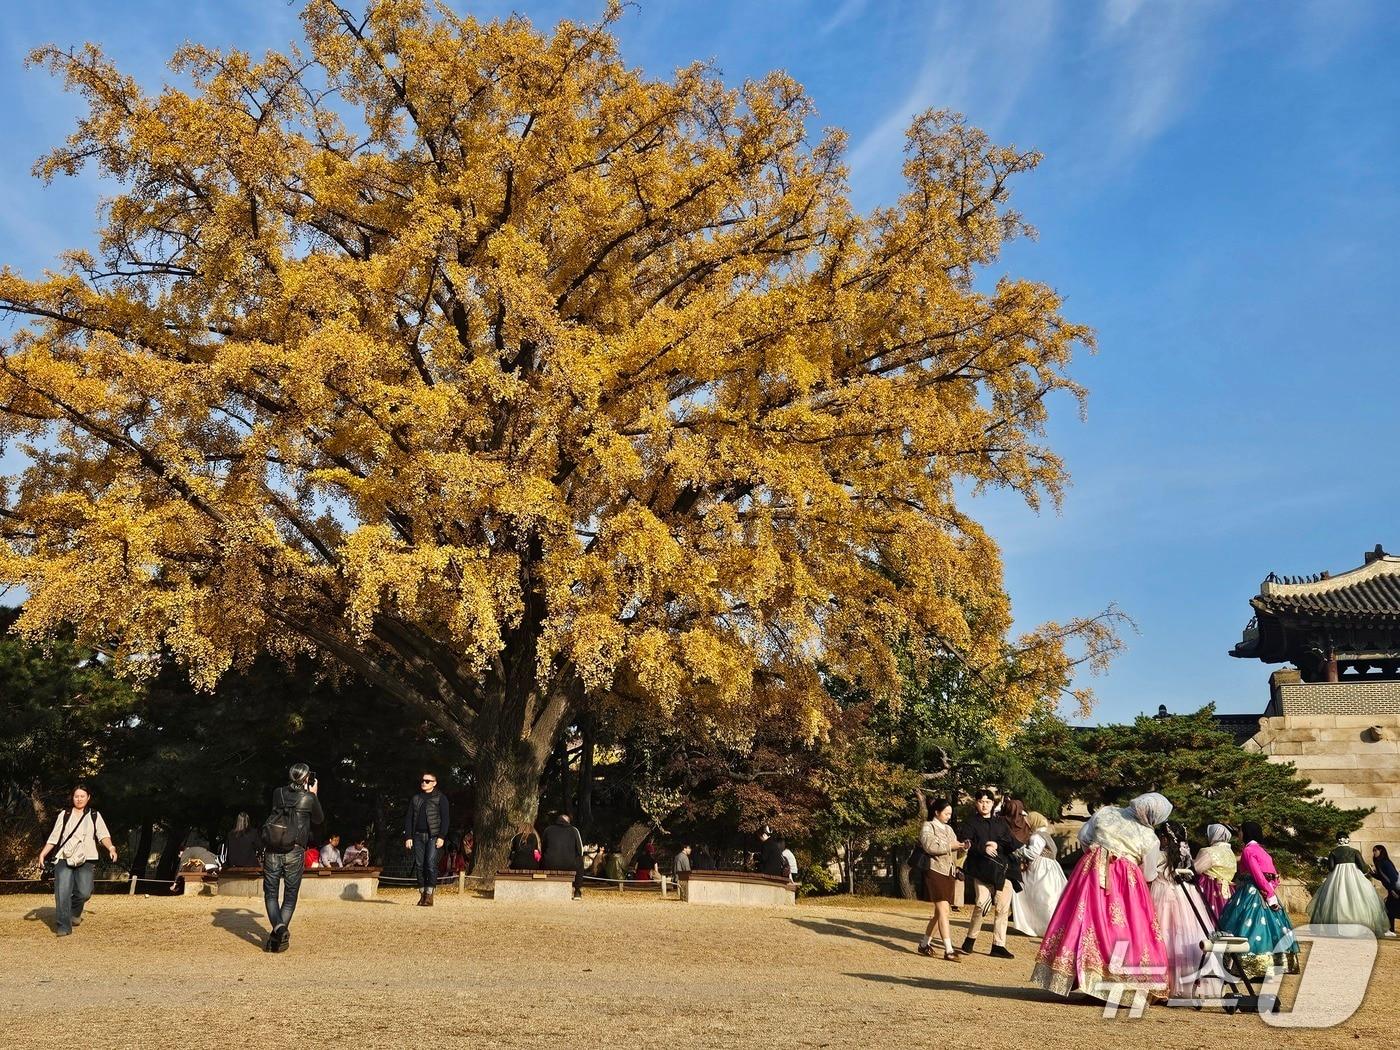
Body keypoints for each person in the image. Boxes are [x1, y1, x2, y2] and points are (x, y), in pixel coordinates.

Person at [1030, 793, 1171, 1001]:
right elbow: (1149, 873)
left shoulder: (1106, 812)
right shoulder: (1149, 837)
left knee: (1085, 922)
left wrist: (1096, 853)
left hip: (1091, 871)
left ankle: (1089, 976)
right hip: (1125, 883)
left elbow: (1083, 837)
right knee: (1122, 928)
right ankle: (1115, 982)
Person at [1214, 821, 1298, 979]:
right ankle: (1272, 965)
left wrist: (1267, 892)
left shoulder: (1248, 850)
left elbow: (1256, 873)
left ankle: (1245, 965)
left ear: (1246, 833)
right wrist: (1271, 890)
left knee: (1245, 924)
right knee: (1269, 927)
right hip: (1266, 891)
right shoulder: (1262, 850)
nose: (1238, 834)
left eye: (1240, 831)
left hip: (1252, 891)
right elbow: (1273, 874)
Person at [37, 785, 118, 937]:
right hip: (64, 856)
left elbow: (103, 835)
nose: (79, 799)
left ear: (88, 798)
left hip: (87, 857)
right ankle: (63, 926)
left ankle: (75, 912)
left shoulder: (94, 815)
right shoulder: (64, 814)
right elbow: (54, 837)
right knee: (62, 891)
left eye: (82, 796)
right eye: (76, 796)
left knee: (84, 892)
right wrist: (43, 854)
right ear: (72, 798)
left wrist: (111, 848)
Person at [1151, 820, 1216, 1003]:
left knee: (1165, 937)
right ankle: (1189, 982)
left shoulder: (1159, 856)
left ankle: (1164, 983)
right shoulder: (1185, 854)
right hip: (1186, 895)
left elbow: (1149, 873)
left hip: (1162, 895)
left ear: (1164, 838)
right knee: (1185, 935)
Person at [261, 763, 323, 953]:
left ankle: (277, 933)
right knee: (290, 895)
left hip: (273, 847)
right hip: (295, 850)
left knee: (270, 893)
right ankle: (280, 930)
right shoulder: (309, 797)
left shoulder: (277, 793)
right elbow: (319, 819)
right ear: (306, 778)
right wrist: (314, 793)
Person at [957, 790, 1017, 958]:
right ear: (976, 803)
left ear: (992, 804)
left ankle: (998, 945)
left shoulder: (1001, 823)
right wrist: (983, 847)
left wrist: (997, 845)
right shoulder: (971, 823)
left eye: (987, 801)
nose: (984, 804)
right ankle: (970, 939)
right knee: (981, 904)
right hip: (981, 870)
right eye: (981, 801)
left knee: (1003, 908)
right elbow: (965, 842)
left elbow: (1011, 844)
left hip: (1002, 871)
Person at [916, 798, 967, 961]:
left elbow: (955, 852)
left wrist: (963, 849)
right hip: (934, 871)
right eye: (946, 813)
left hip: (949, 872)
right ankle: (949, 949)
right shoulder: (927, 827)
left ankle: (924, 944)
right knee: (944, 910)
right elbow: (929, 846)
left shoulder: (949, 829)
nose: (948, 816)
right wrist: (950, 846)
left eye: (950, 814)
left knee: (939, 913)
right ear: (937, 812)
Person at [1308, 834, 1389, 935]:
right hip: (1354, 877)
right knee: (1359, 899)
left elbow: (1331, 868)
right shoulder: (1355, 851)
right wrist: (1368, 867)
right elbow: (1362, 867)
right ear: (1348, 840)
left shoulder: (1333, 852)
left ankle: (1337, 928)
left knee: (1336, 900)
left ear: (1337, 841)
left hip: (1336, 878)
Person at [1011, 811, 1066, 938]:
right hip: (1051, 867)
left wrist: (1018, 850)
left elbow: (1032, 853)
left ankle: (1038, 925)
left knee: (1038, 896)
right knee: (1049, 895)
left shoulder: (1036, 836)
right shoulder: (1046, 834)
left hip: (1040, 868)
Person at [403, 771, 449, 907]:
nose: (424, 782)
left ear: (434, 783)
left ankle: (429, 895)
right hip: (417, 836)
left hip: (433, 836)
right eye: (423, 780)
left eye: (428, 781)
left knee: (430, 864)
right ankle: (422, 894)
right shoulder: (416, 798)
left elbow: (445, 819)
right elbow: (409, 818)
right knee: (419, 865)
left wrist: (441, 836)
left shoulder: (441, 798)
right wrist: (408, 837)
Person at [1192, 823, 1236, 922]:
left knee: (1207, 918)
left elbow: (1196, 868)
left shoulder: (1208, 851)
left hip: (1210, 889)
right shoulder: (1231, 854)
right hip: (1229, 892)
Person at [541, 812, 585, 899]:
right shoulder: (574, 830)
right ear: (568, 822)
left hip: (549, 864)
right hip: (569, 865)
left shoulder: (548, 830)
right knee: (580, 861)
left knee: (544, 859)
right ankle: (577, 891)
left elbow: (543, 848)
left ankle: (542, 888)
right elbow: (581, 851)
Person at [1371, 845, 1400, 937]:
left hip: (1395, 888)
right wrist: (1372, 874)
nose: (1374, 853)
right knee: (1390, 909)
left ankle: (1390, 930)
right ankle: (1390, 930)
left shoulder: (1385, 862)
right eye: (1373, 851)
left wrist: (1392, 890)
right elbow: (1382, 877)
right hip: (1393, 888)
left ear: (1381, 851)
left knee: (1389, 909)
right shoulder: (1380, 862)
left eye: (1375, 850)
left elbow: (1393, 877)